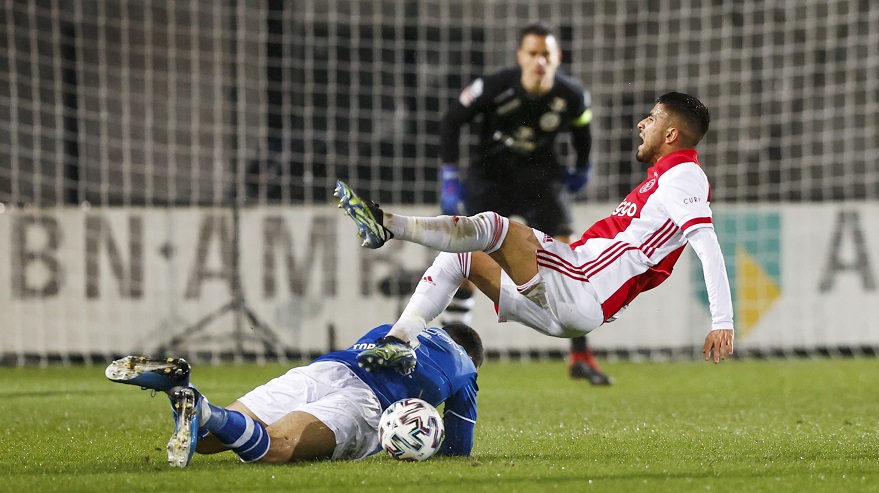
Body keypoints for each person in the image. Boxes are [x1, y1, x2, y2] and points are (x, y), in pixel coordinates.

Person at [336, 91, 734, 376]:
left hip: (580, 287)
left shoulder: (683, 176)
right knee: (460, 257)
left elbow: (706, 245)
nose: (641, 123)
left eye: (652, 117)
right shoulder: (662, 179)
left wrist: (723, 321)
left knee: (495, 227)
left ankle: (387, 224)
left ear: (670, 135)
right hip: (573, 303)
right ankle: (399, 341)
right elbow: (643, 255)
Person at [437, 21, 610, 385]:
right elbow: (452, 120)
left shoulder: (572, 94)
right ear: (520, 56)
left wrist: (583, 167)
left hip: (540, 176)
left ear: (557, 57)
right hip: (491, 174)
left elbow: (583, 133)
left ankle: (580, 356)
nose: (539, 61)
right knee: (471, 261)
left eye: (546, 54)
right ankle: (449, 354)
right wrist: (450, 174)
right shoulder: (494, 87)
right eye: (532, 54)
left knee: (570, 259)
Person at [105, 322, 482, 467]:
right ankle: (203, 410)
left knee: (205, 444)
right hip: (368, 404)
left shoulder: (395, 326)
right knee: (276, 448)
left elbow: (371, 350)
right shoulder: (465, 370)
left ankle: (188, 394)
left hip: (325, 369)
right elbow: (457, 452)